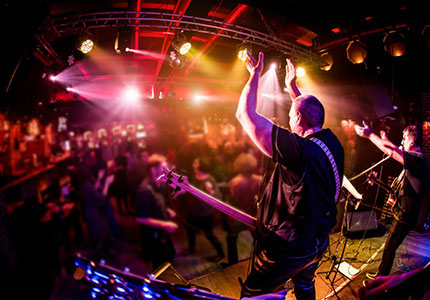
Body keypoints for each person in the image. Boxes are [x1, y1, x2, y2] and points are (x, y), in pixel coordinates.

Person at [235, 50, 344, 299]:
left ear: (297, 118)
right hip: (317, 242)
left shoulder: (299, 150)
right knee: (304, 285)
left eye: (290, 117)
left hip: (290, 248)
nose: (288, 121)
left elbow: (245, 115)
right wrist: (292, 88)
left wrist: (254, 75)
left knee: (252, 293)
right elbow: (306, 113)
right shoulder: (332, 141)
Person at [354, 123, 429, 279]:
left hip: (405, 217)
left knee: (389, 249)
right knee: (389, 248)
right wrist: (379, 183)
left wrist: (369, 135)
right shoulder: (413, 162)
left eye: (404, 138)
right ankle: (381, 276)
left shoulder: (418, 160)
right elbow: (397, 190)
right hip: (401, 212)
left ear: (412, 142)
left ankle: (380, 282)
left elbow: (391, 150)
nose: (402, 142)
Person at [135, 154, 178, 271]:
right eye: (164, 168)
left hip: (162, 232)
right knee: (159, 264)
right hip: (154, 234)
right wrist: (165, 224)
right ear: (153, 170)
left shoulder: (160, 183)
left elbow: (158, 203)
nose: (167, 171)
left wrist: (167, 210)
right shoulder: (144, 190)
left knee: (170, 256)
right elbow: (140, 218)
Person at [225, 153, 260, 265]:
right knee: (258, 239)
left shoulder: (234, 182)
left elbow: (230, 202)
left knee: (231, 240)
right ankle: (261, 259)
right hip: (253, 216)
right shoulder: (259, 180)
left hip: (237, 217)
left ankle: (232, 263)